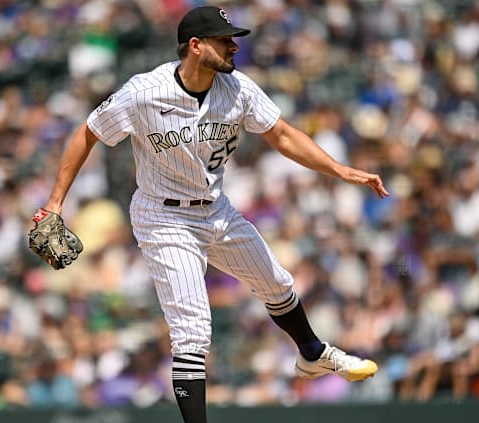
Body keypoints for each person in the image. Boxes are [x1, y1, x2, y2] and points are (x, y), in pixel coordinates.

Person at [34, 6, 389, 422]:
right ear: (196, 46)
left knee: (276, 282)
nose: (234, 45)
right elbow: (88, 132)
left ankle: (312, 354)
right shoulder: (144, 92)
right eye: (225, 40)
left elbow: (282, 135)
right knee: (193, 330)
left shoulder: (237, 89)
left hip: (215, 208)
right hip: (163, 217)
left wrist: (339, 169)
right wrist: (56, 202)